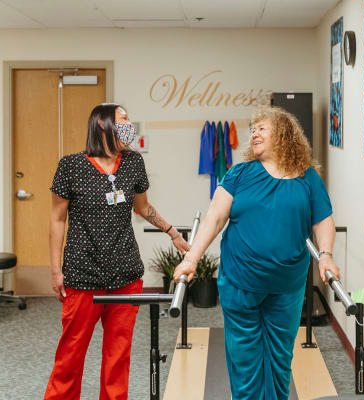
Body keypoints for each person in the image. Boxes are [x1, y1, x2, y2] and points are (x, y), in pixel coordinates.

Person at [174, 106, 340, 400]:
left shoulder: (307, 178)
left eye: (262, 127)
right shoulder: (239, 174)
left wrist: (325, 254)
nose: (254, 133)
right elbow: (214, 218)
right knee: (245, 362)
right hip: (241, 282)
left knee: (279, 360)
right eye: (252, 129)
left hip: (286, 286)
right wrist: (191, 259)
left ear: (283, 133)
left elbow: (323, 219)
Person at [44, 103, 189, 400]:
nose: (128, 124)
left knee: (118, 358)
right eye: (123, 119)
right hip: (82, 276)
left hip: (126, 276)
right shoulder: (71, 166)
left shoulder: (133, 162)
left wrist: (173, 233)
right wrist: (55, 269)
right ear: (102, 124)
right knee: (70, 357)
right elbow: (57, 219)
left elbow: (143, 207)